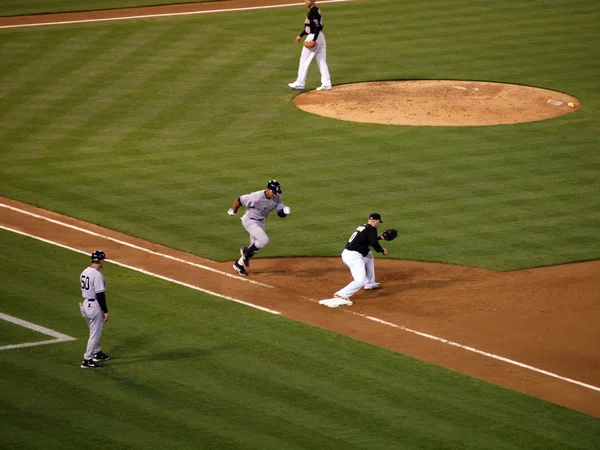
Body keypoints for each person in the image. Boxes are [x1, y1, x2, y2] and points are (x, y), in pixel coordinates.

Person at [228, 180, 291, 276]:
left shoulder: (277, 198)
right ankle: (245, 252)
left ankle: (239, 264)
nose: (275, 195)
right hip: (249, 221)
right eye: (274, 192)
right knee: (264, 240)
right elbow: (239, 200)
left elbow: (280, 213)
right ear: (268, 190)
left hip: (261, 222)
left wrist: (284, 212)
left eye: (276, 193)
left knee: (255, 246)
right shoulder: (256, 197)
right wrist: (234, 211)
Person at [333, 213, 388, 305]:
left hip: (349, 253)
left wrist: (380, 237)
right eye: (379, 223)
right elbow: (374, 244)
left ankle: (370, 283)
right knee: (360, 280)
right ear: (377, 221)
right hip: (353, 257)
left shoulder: (364, 227)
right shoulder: (372, 229)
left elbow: (367, 239)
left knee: (369, 256)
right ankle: (341, 294)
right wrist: (382, 251)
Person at [288, 0, 332, 91]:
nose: (305, 2)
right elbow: (309, 27)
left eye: (307, 0)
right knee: (321, 60)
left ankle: (300, 82)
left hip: (314, 36)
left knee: (304, 60)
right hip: (320, 36)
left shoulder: (314, 12)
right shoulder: (314, 10)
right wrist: (301, 35)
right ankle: (326, 83)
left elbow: (316, 27)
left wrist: (314, 40)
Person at [79, 250, 111, 369]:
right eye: (103, 260)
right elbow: (100, 295)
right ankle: (87, 360)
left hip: (85, 304)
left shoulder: (85, 271)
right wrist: (105, 311)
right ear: (100, 260)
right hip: (94, 306)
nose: (104, 262)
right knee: (95, 333)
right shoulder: (97, 275)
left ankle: (97, 353)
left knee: (93, 331)